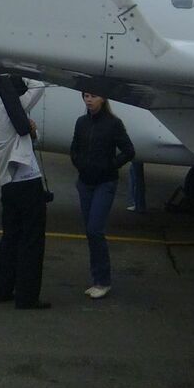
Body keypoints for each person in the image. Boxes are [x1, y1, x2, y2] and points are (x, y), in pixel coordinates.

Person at [0, 77, 50, 310]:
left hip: (8, 183)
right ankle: (27, 296)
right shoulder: (13, 109)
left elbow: (25, 139)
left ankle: (3, 289)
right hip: (27, 182)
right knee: (32, 241)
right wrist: (24, 70)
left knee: (11, 238)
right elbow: (39, 85)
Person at [70, 91, 135, 299]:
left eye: (93, 96)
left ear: (103, 98)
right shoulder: (81, 123)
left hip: (105, 183)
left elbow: (129, 150)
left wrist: (110, 166)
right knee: (90, 232)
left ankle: (103, 280)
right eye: (86, 96)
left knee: (95, 229)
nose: (89, 100)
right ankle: (97, 278)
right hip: (85, 182)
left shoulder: (114, 124)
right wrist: (80, 164)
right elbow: (75, 149)